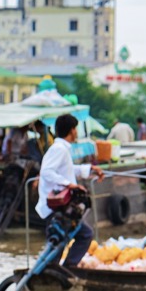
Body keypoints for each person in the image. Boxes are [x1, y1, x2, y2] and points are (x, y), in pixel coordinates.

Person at [35, 114, 105, 267]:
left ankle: (60, 270)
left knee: (65, 240)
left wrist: (90, 169)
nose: (76, 132)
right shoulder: (59, 149)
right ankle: (65, 269)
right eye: (76, 129)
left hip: (61, 207)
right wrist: (69, 185)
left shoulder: (61, 149)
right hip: (55, 207)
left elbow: (67, 169)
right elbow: (47, 171)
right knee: (80, 236)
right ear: (72, 130)